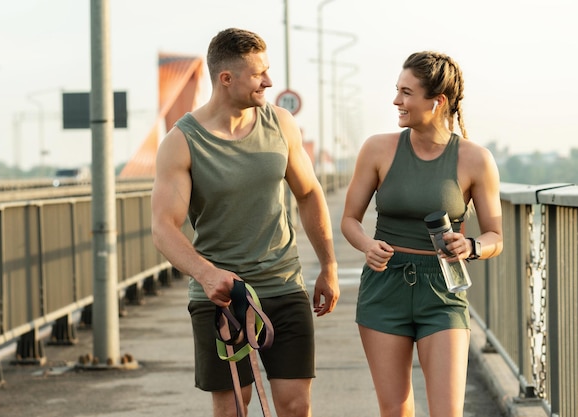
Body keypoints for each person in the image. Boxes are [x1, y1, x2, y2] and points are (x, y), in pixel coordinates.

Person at [151, 28, 340, 417]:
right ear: (226, 79)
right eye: (259, 75)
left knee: (295, 406)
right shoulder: (182, 142)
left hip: (284, 286)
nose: (269, 82)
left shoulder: (281, 124)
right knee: (235, 407)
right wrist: (205, 274)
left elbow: (308, 194)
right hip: (220, 296)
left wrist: (329, 266)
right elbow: (163, 227)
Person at [340, 51, 503, 417]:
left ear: (437, 101)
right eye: (397, 90)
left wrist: (473, 246)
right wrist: (368, 245)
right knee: (395, 411)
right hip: (385, 286)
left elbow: (496, 236)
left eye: (406, 92)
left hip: (443, 291)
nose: (396, 100)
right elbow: (349, 219)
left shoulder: (475, 159)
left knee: (447, 412)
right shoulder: (377, 149)